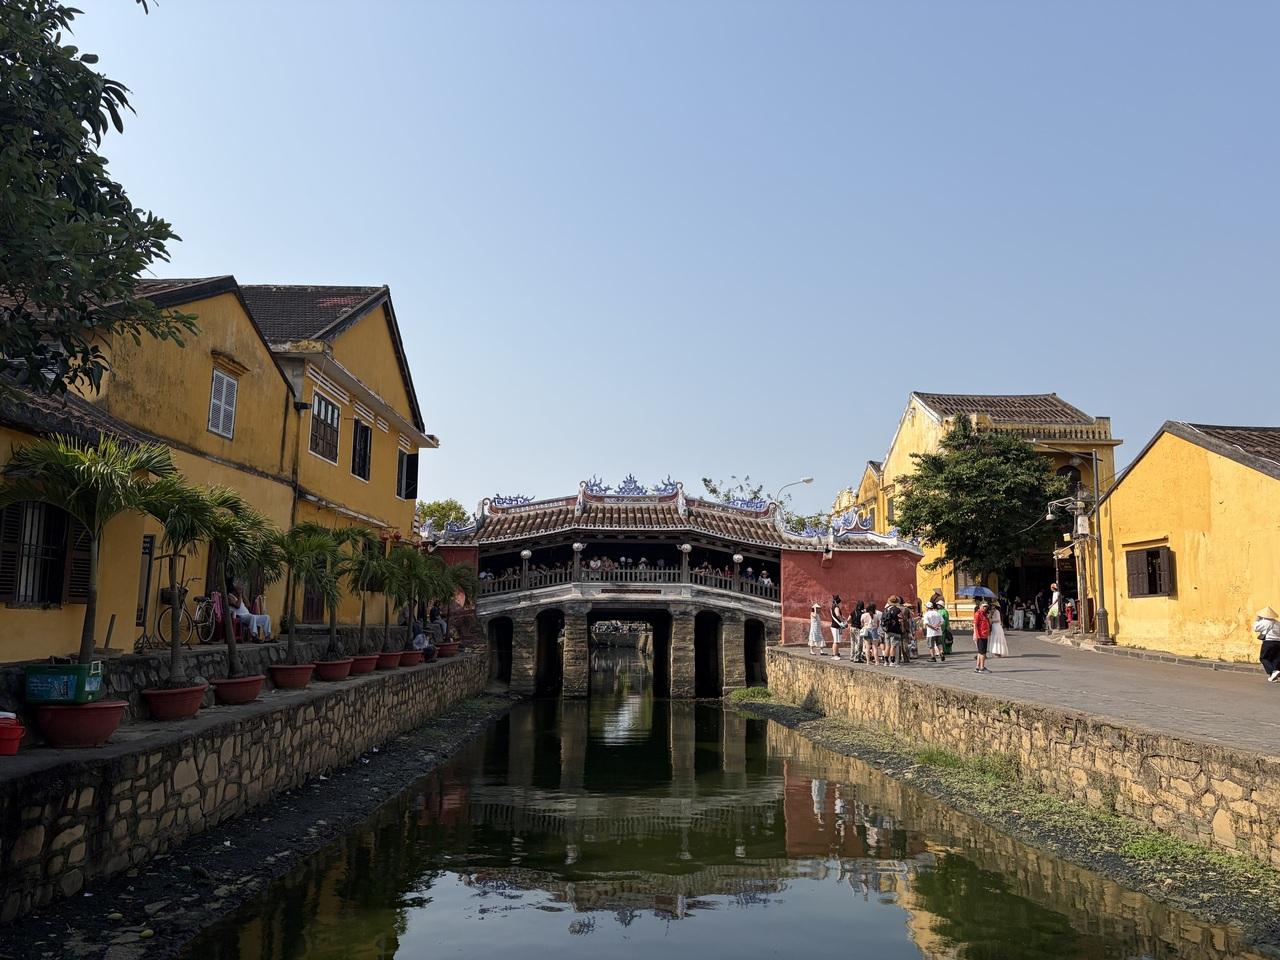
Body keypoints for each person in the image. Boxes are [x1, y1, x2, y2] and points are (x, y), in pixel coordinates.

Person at [1254, 606, 1280, 682]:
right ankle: (1273, 676)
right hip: (1278, 642)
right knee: (1274, 659)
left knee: (1263, 658)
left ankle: (1274, 671)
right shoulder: (1277, 623)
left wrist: (1257, 620)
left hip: (1269, 642)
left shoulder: (1265, 622)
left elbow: (1256, 628)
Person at [881, 596, 905, 665]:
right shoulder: (897, 610)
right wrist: (902, 628)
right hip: (895, 630)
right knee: (893, 646)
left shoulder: (885, 609)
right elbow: (901, 620)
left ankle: (886, 662)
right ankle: (892, 662)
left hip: (887, 630)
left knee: (887, 646)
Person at [973, 601, 992, 673]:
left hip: (984, 635)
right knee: (983, 652)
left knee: (980, 652)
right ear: (980, 606)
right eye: (984, 606)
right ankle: (982, 667)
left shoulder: (984, 614)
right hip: (980, 635)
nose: (985, 608)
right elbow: (975, 624)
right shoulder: (978, 614)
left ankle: (977, 667)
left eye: (986, 606)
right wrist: (975, 634)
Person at [830, 595, 848, 660]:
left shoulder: (832, 606)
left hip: (835, 626)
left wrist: (842, 618)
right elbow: (837, 615)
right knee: (836, 641)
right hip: (836, 626)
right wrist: (843, 620)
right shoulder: (836, 607)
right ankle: (835, 655)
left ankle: (836, 653)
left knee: (836, 641)